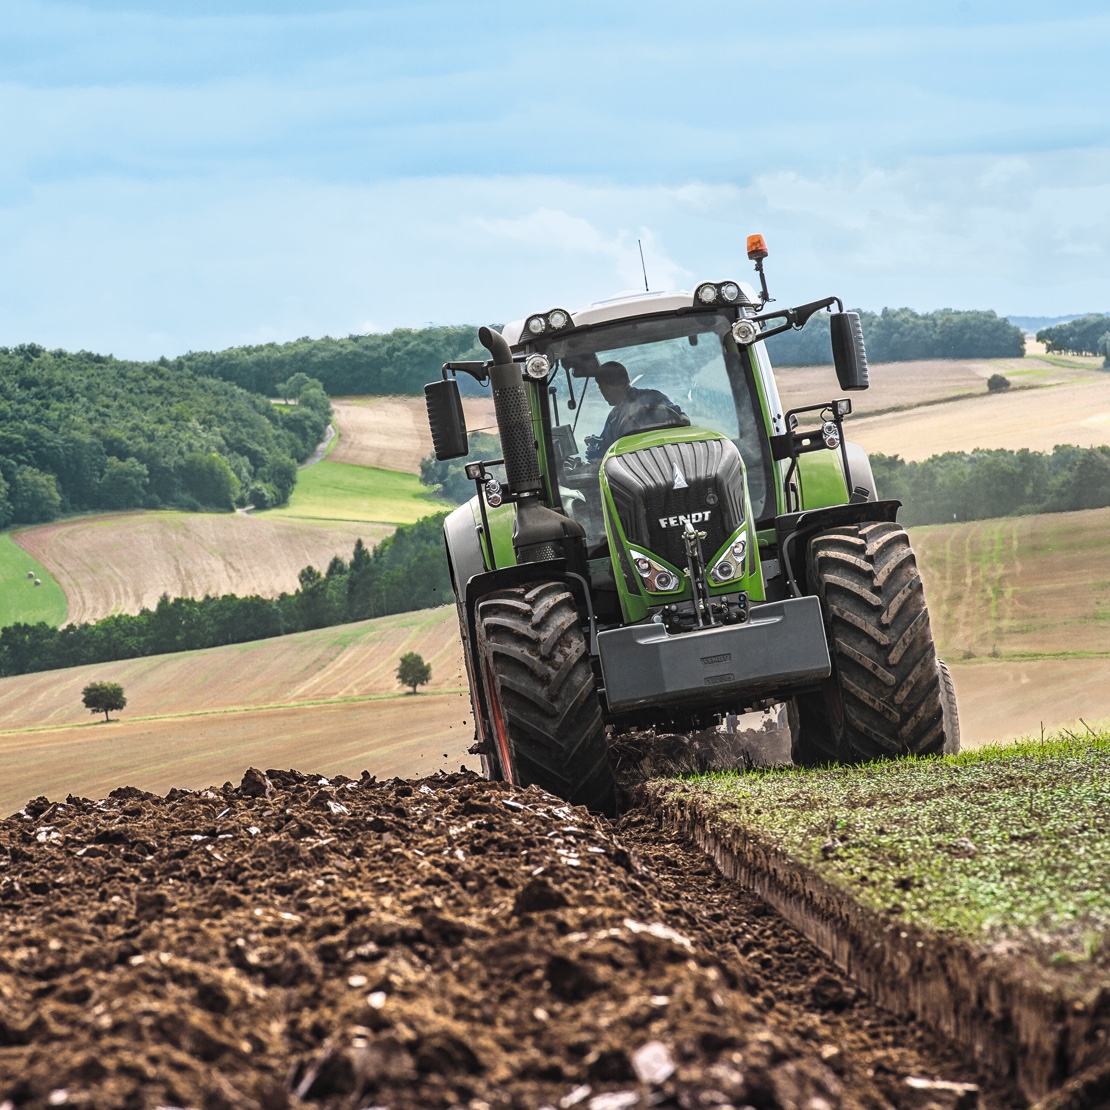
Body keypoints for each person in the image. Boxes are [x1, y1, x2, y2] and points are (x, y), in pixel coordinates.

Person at [586, 361, 689, 460]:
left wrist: (674, 424)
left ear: (606, 388)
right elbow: (605, 451)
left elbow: (682, 419)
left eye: (601, 388)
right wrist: (596, 447)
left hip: (664, 458)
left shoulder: (649, 398)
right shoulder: (614, 417)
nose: (602, 392)